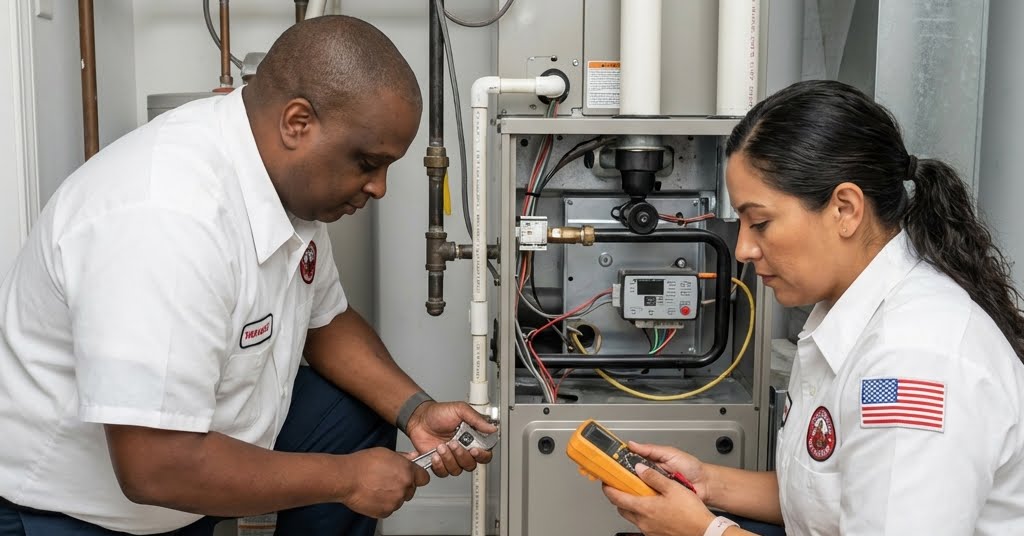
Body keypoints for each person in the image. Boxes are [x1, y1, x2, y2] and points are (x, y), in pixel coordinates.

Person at [0, 15, 496, 536]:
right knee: (345, 463)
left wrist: (415, 411)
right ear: (297, 123)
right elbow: (154, 466)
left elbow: (326, 321)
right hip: (76, 511)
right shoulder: (166, 218)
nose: (379, 189)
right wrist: (345, 479)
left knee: (356, 410)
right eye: (367, 162)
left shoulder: (285, 185)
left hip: (187, 471)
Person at [602, 80, 1024, 535]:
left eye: (760, 223)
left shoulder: (914, 361)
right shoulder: (845, 317)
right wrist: (707, 483)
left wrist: (705, 532)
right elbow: (827, 499)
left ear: (845, 208)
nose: (743, 248)